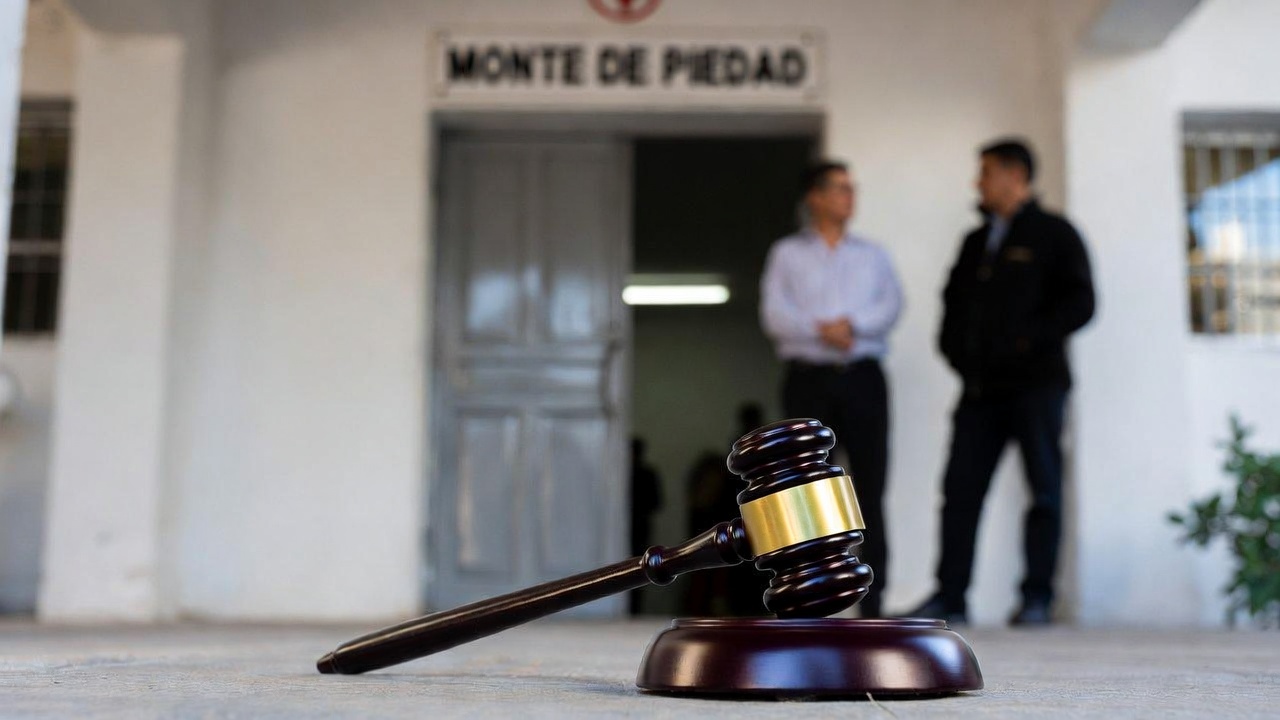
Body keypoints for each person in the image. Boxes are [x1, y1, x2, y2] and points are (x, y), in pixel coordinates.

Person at [905, 138, 1095, 626]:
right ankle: (950, 596)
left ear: (1015, 175)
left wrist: (1028, 340)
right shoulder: (975, 242)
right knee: (960, 492)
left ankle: (1036, 598)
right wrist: (958, 356)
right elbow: (952, 307)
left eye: (986, 173)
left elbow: (1081, 303)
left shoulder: (1054, 234)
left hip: (1037, 387)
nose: (978, 183)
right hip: (980, 392)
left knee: (1044, 492)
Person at [759, 160, 904, 618]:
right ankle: (804, 595)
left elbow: (891, 305)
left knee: (870, 487)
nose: (849, 196)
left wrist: (852, 326)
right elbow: (775, 315)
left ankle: (873, 600)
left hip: (863, 378)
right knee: (803, 490)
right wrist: (822, 331)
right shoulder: (787, 254)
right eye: (840, 188)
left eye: (851, 188)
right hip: (809, 379)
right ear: (815, 197)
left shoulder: (873, 254)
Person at [629, 437, 663, 614]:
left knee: (639, 567)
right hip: (638, 526)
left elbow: (656, 502)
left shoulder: (644, 474)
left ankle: (634, 608)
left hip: (638, 527)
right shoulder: (645, 474)